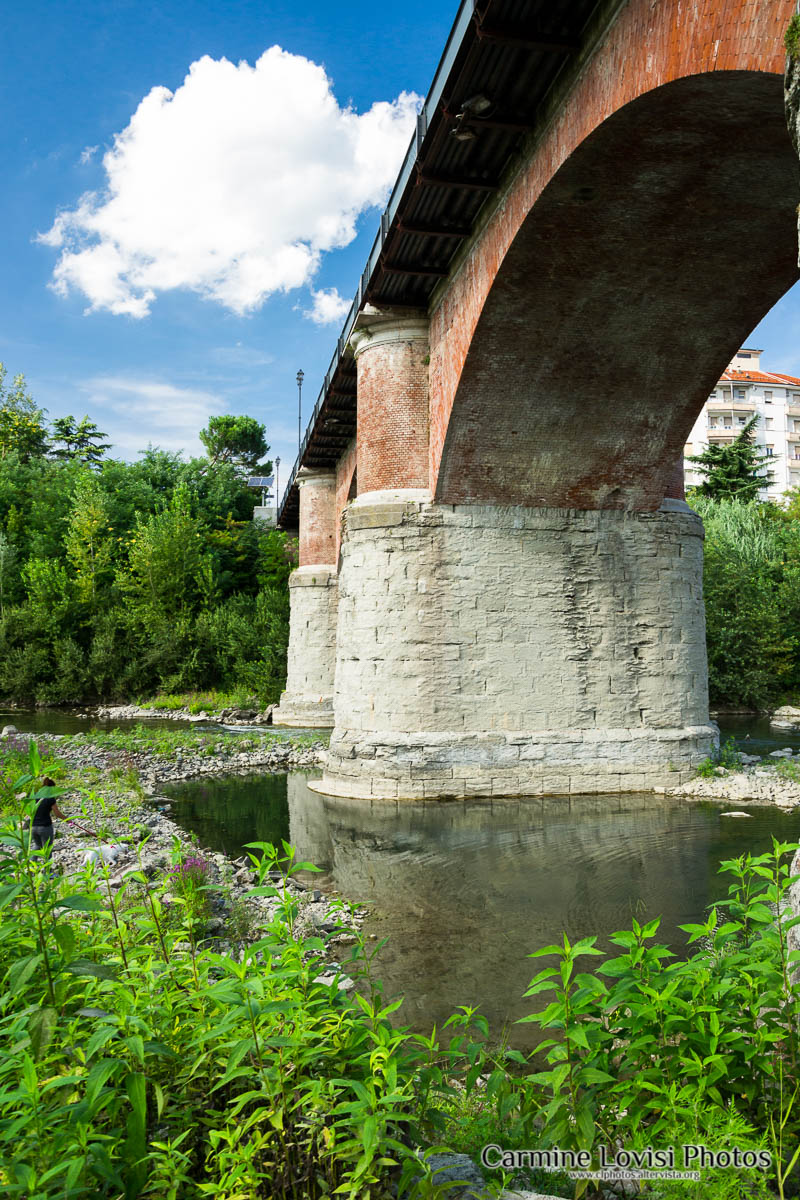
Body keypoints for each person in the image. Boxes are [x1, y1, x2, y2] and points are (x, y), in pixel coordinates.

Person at [30, 777, 65, 854]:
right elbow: (57, 813)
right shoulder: (50, 798)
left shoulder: (35, 796)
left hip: (33, 827)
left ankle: (31, 863)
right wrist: (67, 819)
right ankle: (47, 865)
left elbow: (29, 812)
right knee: (48, 848)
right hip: (45, 827)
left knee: (37, 846)